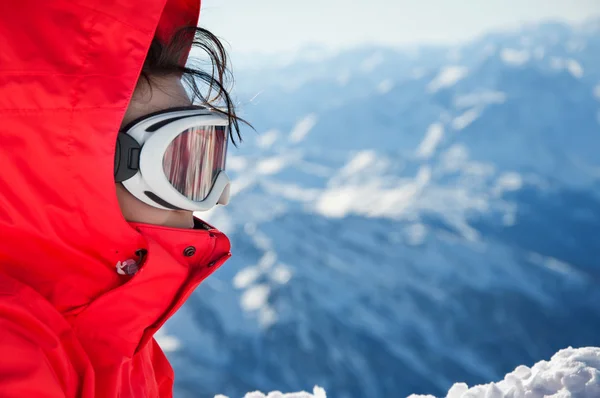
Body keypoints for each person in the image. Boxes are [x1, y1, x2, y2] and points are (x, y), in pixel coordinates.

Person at [0, 0, 243, 396]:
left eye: (202, 160)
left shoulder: (122, 352)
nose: (207, 201)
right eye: (177, 165)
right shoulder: (13, 360)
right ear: (78, 172)